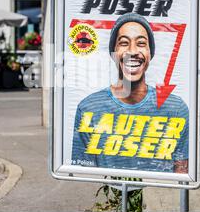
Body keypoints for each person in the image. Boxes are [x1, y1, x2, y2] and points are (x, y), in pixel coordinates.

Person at [71, 13, 189, 173]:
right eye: (124, 43)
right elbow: (84, 177)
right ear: (114, 53)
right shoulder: (89, 108)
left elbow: (181, 175)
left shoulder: (176, 109)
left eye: (141, 43)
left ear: (150, 53)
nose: (132, 51)